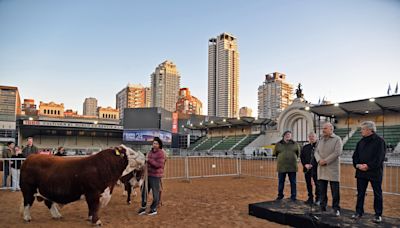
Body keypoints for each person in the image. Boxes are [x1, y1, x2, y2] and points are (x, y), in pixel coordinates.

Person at [352, 121, 386, 223]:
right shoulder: (360, 142)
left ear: (369, 130)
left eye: (362, 129)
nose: (361, 131)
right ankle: (358, 211)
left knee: (377, 194)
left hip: (374, 172)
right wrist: (357, 165)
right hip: (361, 172)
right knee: (360, 193)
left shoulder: (380, 141)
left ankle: (378, 214)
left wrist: (368, 166)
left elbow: (379, 158)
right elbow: (355, 156)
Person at [314, 123, 343, 216]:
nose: (323, 130)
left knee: (335, 191)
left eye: (325, 128)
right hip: (321, 168)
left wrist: (325, 161)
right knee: (322, 190)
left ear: (331, 129)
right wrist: (319, 160)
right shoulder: (320, 140)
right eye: (323, 128)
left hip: (332, 169)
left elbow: (337, 152)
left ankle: (336, 209)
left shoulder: (337, 139)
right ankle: (322, 207)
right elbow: (316, 152)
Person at [138, 137, 166, 216]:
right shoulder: (150, 152)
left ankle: (153, 208)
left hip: (155, 175)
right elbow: (147, 161)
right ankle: (143, 207)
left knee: (155, 193)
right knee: (143, 190)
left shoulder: (161, 153)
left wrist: (149, 160)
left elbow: (159, 165)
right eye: (154, 143)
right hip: (148, 175)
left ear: (159, 145)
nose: (154, 145)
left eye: (156, 143)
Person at [273, 130, 300, 201]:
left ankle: (293, 196)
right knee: (281, 182)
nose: (288, 136)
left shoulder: (295, 144)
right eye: (287, 135)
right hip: (281, 167)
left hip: (292, 167)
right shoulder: (278, 144)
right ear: (284, 135)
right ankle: (280, 195)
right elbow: (275, 153)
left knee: (293, 182)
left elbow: (298, 153)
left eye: (289, 135)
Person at [300, 132, 320, 205]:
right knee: (308, 184)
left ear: (316, 137)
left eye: (313, 136)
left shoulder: (319, 146)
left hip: (316, 169)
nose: (311, 138)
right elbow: (302, 157)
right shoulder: (305, 147)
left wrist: (313, 165)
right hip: (307, 169)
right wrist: (305, 164)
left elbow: (320, 158)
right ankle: (310, 198)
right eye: (310, 136)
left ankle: (318, 199)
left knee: (318, 184)